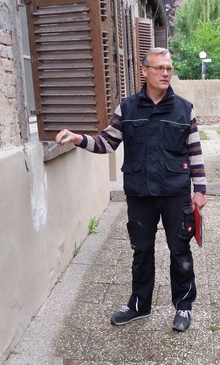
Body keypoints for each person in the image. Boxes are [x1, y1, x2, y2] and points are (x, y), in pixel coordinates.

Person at [55, 47, 207, 332]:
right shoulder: (127, 107)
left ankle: (184, 306)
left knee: (180, 250)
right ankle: (140, 305)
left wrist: (200, 189)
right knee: (142, 250)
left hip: (175, 192)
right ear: (144, 70)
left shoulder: (184, 109)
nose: (165, 73)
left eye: (169, 69)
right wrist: (78, 138)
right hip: (139, 193)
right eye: (159, 68)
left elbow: (195, 151)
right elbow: (106, 142)